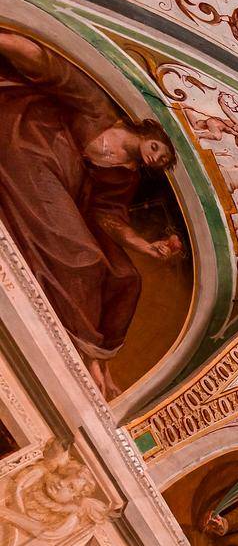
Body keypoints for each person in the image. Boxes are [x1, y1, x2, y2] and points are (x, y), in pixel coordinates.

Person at [0, 27, 185, 400]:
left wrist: (144, 247)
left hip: (56, 181)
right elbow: (50, 67)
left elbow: (108, 216)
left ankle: (92, 357)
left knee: (124, 276)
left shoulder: (123, 176)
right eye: (158, 148)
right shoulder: (100, 111)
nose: (156, 157)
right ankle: (81, 353)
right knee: (82, 259)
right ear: (148, 131)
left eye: (161, 162)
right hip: (26, 141)